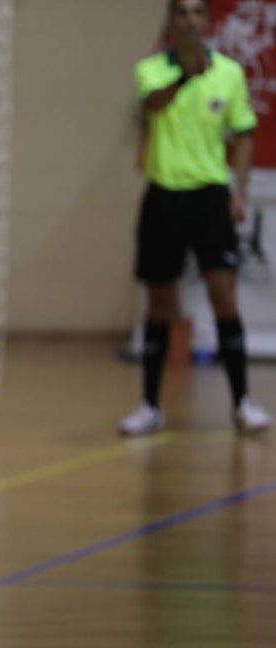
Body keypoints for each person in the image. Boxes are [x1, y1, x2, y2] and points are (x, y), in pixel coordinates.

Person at [120, 0, 271, 436]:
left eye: (197, 12)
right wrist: (185, 75)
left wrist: (239, 191)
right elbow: (153, 105)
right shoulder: (151, 69)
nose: (190, 20)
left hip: (208, 199)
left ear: (208, 22)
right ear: (171, 22)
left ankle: (242, 402)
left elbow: (243, 134)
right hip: (163, 198)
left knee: (224, 296)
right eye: (181, 12)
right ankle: (150, 406)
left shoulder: (230, 74)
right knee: (159, 304)